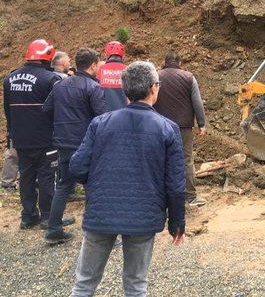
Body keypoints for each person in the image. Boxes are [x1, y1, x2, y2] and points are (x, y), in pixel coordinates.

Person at [69, 61, 185, 296]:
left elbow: (77, 167)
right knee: (135, 285)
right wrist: (176, 222)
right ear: (154, 88)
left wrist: (98, 185)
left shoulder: (99, 123)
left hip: (101, 212)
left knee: (84, 284)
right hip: (143, 217)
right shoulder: (167, 128)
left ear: (124, 90)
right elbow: (175, 184)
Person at [2, 40, 71, 229]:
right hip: (46, 139)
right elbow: (59, 109)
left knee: (26, 177)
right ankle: (49, 217)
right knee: (47, 177)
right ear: (48, 57)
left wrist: (12, 134)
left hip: (21, 138)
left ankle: (28, 216)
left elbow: (7, 109)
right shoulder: (51, 79)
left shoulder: (10, 78)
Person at [43, 49, 106, 244]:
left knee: (64, 185)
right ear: (93, 65)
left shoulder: (60, 85)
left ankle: (53, 229)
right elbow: (102, 117)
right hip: (85, 144)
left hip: (63, 142)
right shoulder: (93, 87)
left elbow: (46, 109)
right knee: (93, 186)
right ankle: (98, 232)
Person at [154, 50, 207, 207]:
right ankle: (190, 197)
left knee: (161, 159)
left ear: (164, 62)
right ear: (180, 63)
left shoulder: (156, 77)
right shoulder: (189, 77)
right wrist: (202, 124)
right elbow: (197, 103)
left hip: (160, 126)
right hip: (183, 127)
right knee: (186, 160)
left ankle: (161, 197)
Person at [97, 41, 127, 111]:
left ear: (107, 55)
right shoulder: (127, 69)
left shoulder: (101, 69)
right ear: (123, 55)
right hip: (123, 113)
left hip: (105, 115)